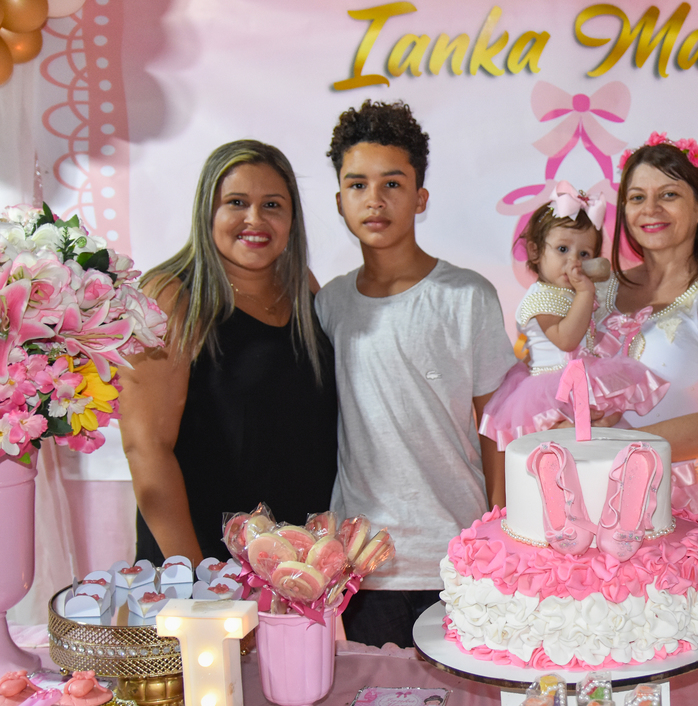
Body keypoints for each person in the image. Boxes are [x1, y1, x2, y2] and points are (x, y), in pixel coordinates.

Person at [316, 99, 516, 648]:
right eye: (357, 185)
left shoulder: (467, 296)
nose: (374, 199)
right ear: (339, 200)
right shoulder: (329, 304)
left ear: (420, 197)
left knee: (466, 696)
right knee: (377, 700)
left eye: (392, 184)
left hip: (457, 554)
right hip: (364, 563)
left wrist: (497, 534)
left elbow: (498, 424)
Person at [122, 141, 337, 565]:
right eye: (236, 202)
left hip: (298, 567)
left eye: (272, 205)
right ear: (208, 211)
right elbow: (146, 448)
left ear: (292, 219)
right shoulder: (171, 296)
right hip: (207, 563)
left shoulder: (303, 289)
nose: (255, 219)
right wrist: (195, 575)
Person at [592, 133, 698, 513]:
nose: (651, 209)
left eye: (668, 195)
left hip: (666, 507)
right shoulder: (597, 291)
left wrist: (609, 447)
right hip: (580, 498)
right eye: (637, 198)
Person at [478, 182, 668, 450]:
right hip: (551, 389)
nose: (574, 262)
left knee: (606, 436)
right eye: (562, 249)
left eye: (584, 254)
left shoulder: (575, 293)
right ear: (535, 251)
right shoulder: (541, 297)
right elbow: (566, 339)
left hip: (581, 379)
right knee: (562, 451)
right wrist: (585, 292)